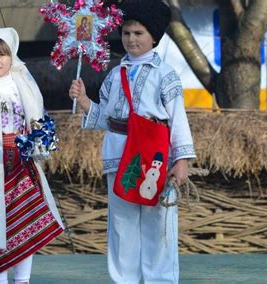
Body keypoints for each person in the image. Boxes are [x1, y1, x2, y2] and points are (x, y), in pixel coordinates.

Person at [68, 1, 196, 282]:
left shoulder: (166, 76)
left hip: (156, 159)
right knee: (121, 225)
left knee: (158, 222)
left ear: (154, 37)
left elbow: (177, 119)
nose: (131, 39)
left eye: (138, 33)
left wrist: (183, 160)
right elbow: (105, 117)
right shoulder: (114, 76)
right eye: (126, 33)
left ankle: (159, 280)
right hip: (118, 155)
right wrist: (85, 100)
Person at [0, 27, 64, 284]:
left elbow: (37, 121)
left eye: (2, 54)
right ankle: (0, 281)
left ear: (12, 55)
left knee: (26, 222)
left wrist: (40, 144)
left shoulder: (24, 85)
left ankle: (22, 280)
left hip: (22, 163)